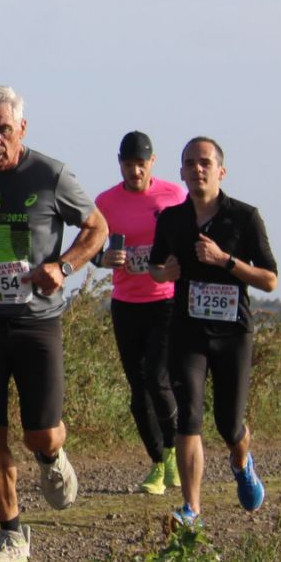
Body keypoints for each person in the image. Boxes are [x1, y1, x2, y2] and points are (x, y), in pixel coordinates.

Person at [0, 85, 107, 562]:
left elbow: (98, 228)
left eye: (4, 129)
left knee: (41, 435)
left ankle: (53, 459)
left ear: (22, 128)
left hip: (36, 324)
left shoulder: (51, 175)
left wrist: (65, 267)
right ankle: (12, 535)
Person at [149, 137, 279, 526]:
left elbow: (270, 279)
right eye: (190, 163)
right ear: (181, 172)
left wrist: (225, 261)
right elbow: (155, 266)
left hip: (233, 333)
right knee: (189, 417)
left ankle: (241, 462)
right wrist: (164, 273)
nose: (197, 169)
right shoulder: (171, 219)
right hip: (188, 330)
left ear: (221, 171)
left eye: (205, 163)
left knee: (229, 424)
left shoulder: (244, 217)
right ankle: (192, 509)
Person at [92, 131, 187, 494]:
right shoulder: (105, 202)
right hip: (126, 304)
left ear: (152, 162)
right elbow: (90, 246)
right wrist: (104, 259)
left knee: (157, 378)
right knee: (138, 389)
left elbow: (190, 234)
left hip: (165, 300)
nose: (135, 171)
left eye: (141, 164)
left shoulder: (173, 195)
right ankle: (158, 463)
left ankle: (177, 452)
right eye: (128, 164)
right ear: (120, 163)